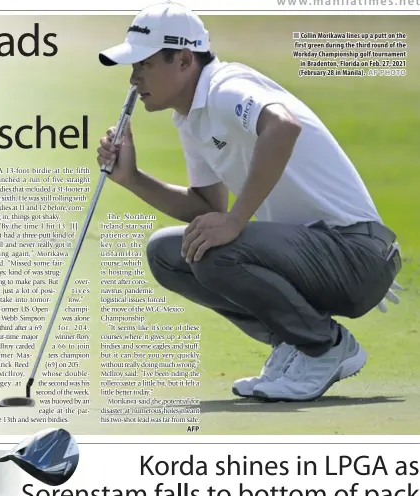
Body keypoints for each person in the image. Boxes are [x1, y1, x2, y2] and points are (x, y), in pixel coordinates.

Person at [97, 2, 402, 402]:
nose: (134, 79)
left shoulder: (225, 87)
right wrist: (132, 179)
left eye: (144, 65)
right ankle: (294, 340)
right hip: (318, 254)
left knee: (213, 248)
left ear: (185, 59)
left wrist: (237, 219)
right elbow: (207, 207)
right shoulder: (191, 118)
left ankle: (323, 346)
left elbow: (283, 125)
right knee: (169, 253)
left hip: (356, 253)